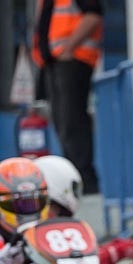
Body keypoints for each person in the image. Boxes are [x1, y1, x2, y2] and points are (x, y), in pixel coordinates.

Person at [32, 0, 103, 194]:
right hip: (55, 63)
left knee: (72, 123)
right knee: (63, 125)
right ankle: (72, 183)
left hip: (72, 61)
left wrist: (69, 49)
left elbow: (93, 16)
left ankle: (84, 184)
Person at [0, 158, 50, 264]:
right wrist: (7, 259)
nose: (27, 211)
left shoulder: (47, 232)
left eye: (33, 202)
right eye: (19, 204)